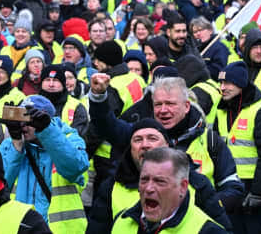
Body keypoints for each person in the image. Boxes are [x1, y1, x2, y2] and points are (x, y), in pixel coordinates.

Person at [89, 75, 245, 209]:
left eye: (170, 104)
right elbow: (107, 126)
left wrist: (204, 207)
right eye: (158, 104)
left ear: (186, 106)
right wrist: (98, 97)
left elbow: (233, 188)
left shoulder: (210, 140)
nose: (163, 110)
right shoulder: (142, 136)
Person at [87, 119, 232, 233]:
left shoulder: (197, 183)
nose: (145, 145)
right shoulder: (112, 190)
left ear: (168, 145)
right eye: (137, 140)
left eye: (152, 138)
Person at [0, 95, 90, 233]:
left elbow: (75, 167)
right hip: (19, 227)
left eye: (30, 120)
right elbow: (0, 185)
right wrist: (16, 143)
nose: (24, 126)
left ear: (45, 119)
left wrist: (46, 131)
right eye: (21, 119)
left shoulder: (70, 139)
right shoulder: (12, 144)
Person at [215, 61, 261, 233]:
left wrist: (259, 192)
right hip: (228, 185)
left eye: (228, 82)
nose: (223, 87)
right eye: (221, 83)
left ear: (241, 84)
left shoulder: (260, 112)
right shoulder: (221, 111)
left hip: (251, 187)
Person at [109, 147, 228, 233]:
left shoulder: (207, 231)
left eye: (159, 181)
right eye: (144, 179)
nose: (149, 188)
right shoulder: (122, 220)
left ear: (182, 187)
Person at [39, 64, 89, 136]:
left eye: (55, 80)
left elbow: (78, 136)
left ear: (63, 84)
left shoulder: (76, 106)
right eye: (47, 80)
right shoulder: (30, 102)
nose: (51, 84)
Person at [191, 16, 229, 81]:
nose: (198, 34)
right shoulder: (194, 49)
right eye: (195, 32)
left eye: (201, 30)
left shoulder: (219, 47)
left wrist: (198, 68)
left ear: (210, 30)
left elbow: (219, 71)